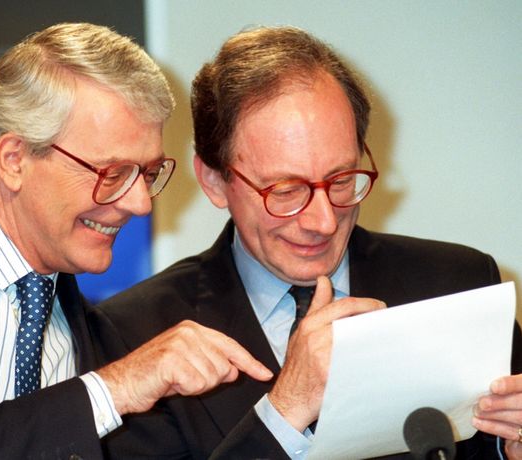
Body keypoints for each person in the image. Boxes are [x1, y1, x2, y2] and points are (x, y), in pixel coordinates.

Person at [91, 26, 522, 459]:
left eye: (341, 180)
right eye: (285, 190)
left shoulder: (460, 283)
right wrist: (286, 409)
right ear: (214, 181)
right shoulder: (133, 337)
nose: (323, 221)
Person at [0, 23, 274, 460]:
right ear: (14, 159)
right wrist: (114, 388)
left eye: (147, 175)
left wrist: (288, 410)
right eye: (112, 174)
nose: (139, 205)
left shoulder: (89, 324)